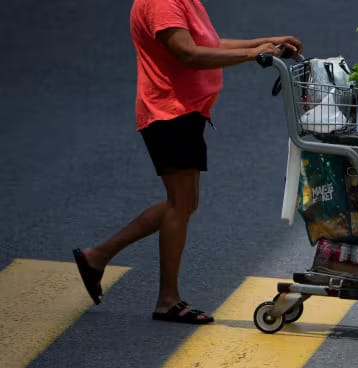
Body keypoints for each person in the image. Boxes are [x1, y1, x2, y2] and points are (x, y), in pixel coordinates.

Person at [72, 0, 302, 324]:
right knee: (180, 205)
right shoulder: (161, 3)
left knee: (182, 204)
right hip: (169, 115)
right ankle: (167, 300)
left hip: (184, 113)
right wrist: (253, 54)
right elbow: (189, 54)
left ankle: (97, 257)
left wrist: (263, 43)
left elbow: (211, 45)